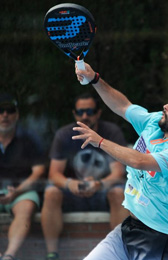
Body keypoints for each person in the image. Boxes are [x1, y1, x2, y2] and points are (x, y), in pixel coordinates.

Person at [73, 62, 168, 260]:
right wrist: (95, 79)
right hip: (128, 229)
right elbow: (123, 106)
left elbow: (139, 161)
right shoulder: (155, 122)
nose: (166, 106)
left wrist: (101, 142)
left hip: (159, 237)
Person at [41, 92, 129, 260]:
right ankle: (51, 254)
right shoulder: (64, 134)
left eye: (89, 111)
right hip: (72, 194)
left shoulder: (111, 132)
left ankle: (122, 253)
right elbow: (54, 173)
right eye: (80, 112)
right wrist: (70, 184)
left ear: (98, 112)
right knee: (51, 192)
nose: (85, 116)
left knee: (119, 193)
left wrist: (99, 184)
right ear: (74, 113)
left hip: (103, 192)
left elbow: (118, 172)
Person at [0, 93, 46, 260]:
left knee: (26, 207)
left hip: (21, 190)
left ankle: (8, 257)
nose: (5, 115)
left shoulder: (29, 139)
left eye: (10, 111)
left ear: (17, 115)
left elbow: (39, 172)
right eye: (1, 111)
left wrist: (17, 191)